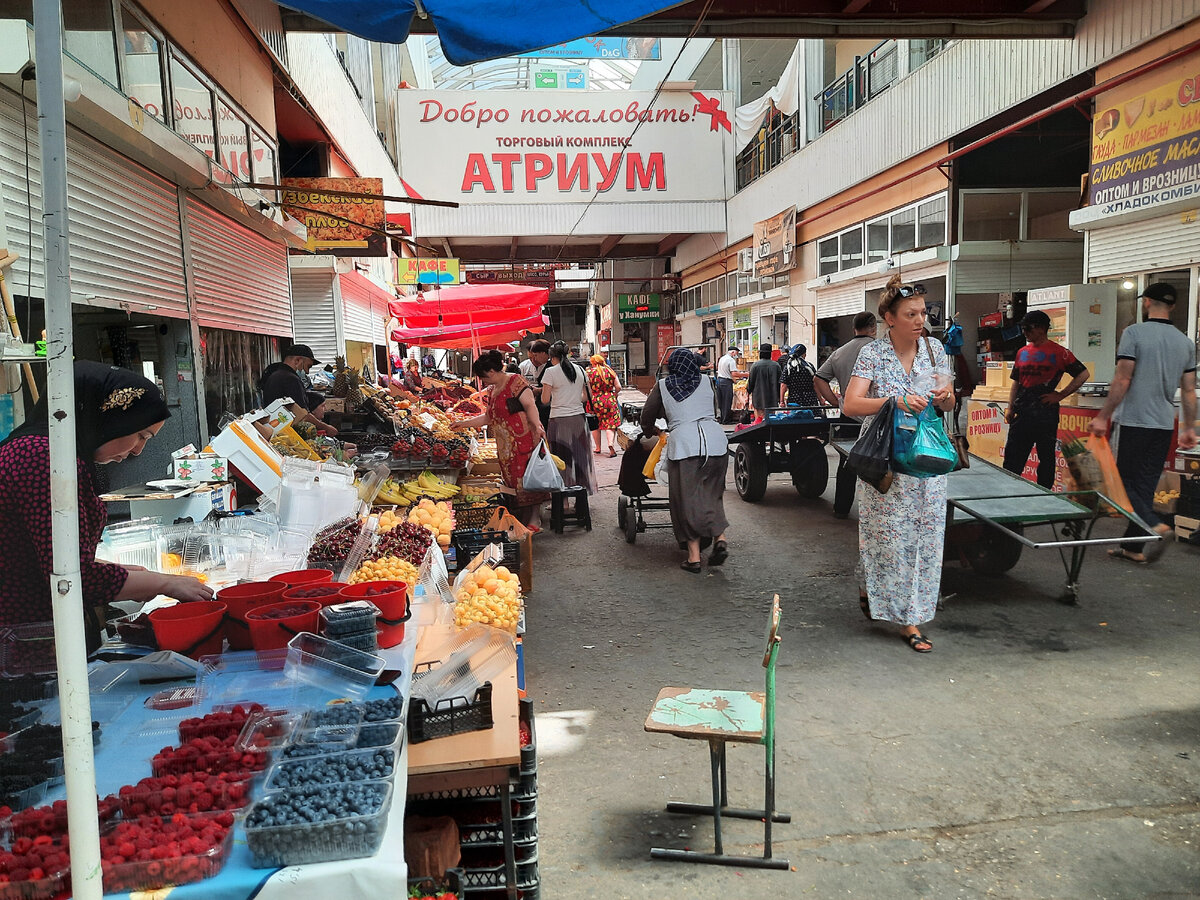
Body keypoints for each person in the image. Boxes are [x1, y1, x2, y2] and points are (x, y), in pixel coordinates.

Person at [0, 363, 214, 648]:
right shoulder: (43, 459)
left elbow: (44, 555)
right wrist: (166, 583)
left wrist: (124, 573)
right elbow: (71, 577)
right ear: (110, 416)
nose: (139, 450)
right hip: (22, 643)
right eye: (141, 435)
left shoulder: (49, 452)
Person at [843, 276, 954, 653]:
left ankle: (911, 617)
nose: (920, 319)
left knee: (923, 539)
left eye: (923, 312)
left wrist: (945, 396)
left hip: (926, 459)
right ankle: (875, 588)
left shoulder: (936, 350)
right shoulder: (872, 354)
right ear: (889, 318)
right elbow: (852, 404)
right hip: (885, 461)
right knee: (887, 540)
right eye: (911, 313)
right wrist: (895, 402)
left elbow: (950, 403)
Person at [1090, 282, 1197, 563]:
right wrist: (1189, 427)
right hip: (1163, 423)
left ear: (1146, 302)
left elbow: (1123, 379)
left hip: (1134, 421)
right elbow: (1188, 390)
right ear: (1172, 306)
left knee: (1125, 484)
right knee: (1146, 485)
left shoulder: (1134, 333)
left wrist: (1103, 416)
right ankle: (1133, 547)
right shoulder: (1185, 343)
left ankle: (1157, 525)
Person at [640, 349, 730, 573]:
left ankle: (694, 558)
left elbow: (646, 418)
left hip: (685, 447)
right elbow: (714, 410)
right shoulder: (708, 381)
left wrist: (653, 429)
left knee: (685, 501)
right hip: (716, 443)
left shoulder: (662, 385)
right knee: (712, 494)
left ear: (671, 366)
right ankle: (720, 537)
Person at [452, 351, 548, 529]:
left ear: (491, 372)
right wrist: (463, 423)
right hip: (506, 446)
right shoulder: (492, 390)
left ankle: (535, 519)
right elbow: (488, 418)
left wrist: (537, 426)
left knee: (529, 479)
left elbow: (530, 405)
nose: (483, 382)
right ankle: (524, 518)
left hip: (524, 439)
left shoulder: (515, 381)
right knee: (514, 482)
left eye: (483, 377)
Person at [1002, 310, 1090, 489]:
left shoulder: (1060, 353)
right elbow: (1016, 382)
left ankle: (1044, 495)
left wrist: (1060, 395)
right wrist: (1010, 407)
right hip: (1022, 411)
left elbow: (1083, 374)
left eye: (1028, 328)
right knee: (1012, 459)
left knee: (1047, 459)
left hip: (1045, 413)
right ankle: (1008, 494)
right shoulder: (1022, 352)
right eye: (1022, 328)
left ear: (1042, 329)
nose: (1025, 332)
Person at [815, 311, 878, 518]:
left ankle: (841, 508)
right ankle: (876, 513)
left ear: (854, 329)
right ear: (873, 328)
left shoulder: (839, 352)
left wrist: (836, 402)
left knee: (846, 463)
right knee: (879, 464)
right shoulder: (879, 350)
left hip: (848, 416)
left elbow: (819, 379)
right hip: (876, 416)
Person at [540, 342, 598, 497]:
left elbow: (545, 400)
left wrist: (559, 397)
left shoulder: (551, 372)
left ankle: (563, 502)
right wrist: (572, 399)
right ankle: (581, 497)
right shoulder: (579, 370)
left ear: (552, 357)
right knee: (580, 458)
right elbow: (587, 396)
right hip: (579, 419)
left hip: (559, 420)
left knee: (561, 459)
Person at [259, 344, 338, 435]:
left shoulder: (275, 375)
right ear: (297, 360)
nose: (307, 372)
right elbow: (303, 415)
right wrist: (326, 427)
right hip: (285, 433)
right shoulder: (290, 379)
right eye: (308, 366)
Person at [586, 354, 622, 457]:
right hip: (609, 400)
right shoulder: (610, 371)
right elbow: (618, 387)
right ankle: (610, 445)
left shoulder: (588, 372)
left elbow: (586, 388)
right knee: (610, 424)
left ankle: (598, 448)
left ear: (593, 362)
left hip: (594, 401)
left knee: (595, 424)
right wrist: (614, 395)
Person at [745, 344, 782, 422]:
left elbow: (750, 383)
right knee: (771, 420)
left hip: (758, 399)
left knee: (759, 421)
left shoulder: (755, 366)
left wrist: (747, 395)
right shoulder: (776, 366)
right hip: (772, 399)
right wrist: (780, 398)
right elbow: (780, 383)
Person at [521, 340, 553, 428]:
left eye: (535, 356)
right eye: (531, 358)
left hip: (548, 407)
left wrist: (539, 390)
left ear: (542, 353)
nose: (533, 360)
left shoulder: (551, 367)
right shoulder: (523, 366)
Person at [714, 346, 744, 424]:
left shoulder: (722, 358)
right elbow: (734, 373)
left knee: (722, 402)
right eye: (736, 353)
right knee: (727, 401)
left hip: (720, 380)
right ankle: (726, 420)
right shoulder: (731, 360)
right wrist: (746, 374)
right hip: (726, 382)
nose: (736, 355)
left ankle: (722, 418)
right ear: (733, 352)